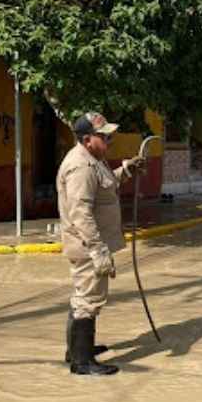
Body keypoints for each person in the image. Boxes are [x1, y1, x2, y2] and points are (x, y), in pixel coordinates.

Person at [57, 112, 143, 376]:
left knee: (84, 296)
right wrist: (98, 250)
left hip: (91, 244)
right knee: (89, 300)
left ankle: (78, 350)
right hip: (88, 246)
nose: (109, 139)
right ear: (86, 139)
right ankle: (82, 363)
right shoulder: (81, 167)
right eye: (103, 136)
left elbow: (106, 186)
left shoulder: (94, 160)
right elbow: (80, 212)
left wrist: (126, 170)